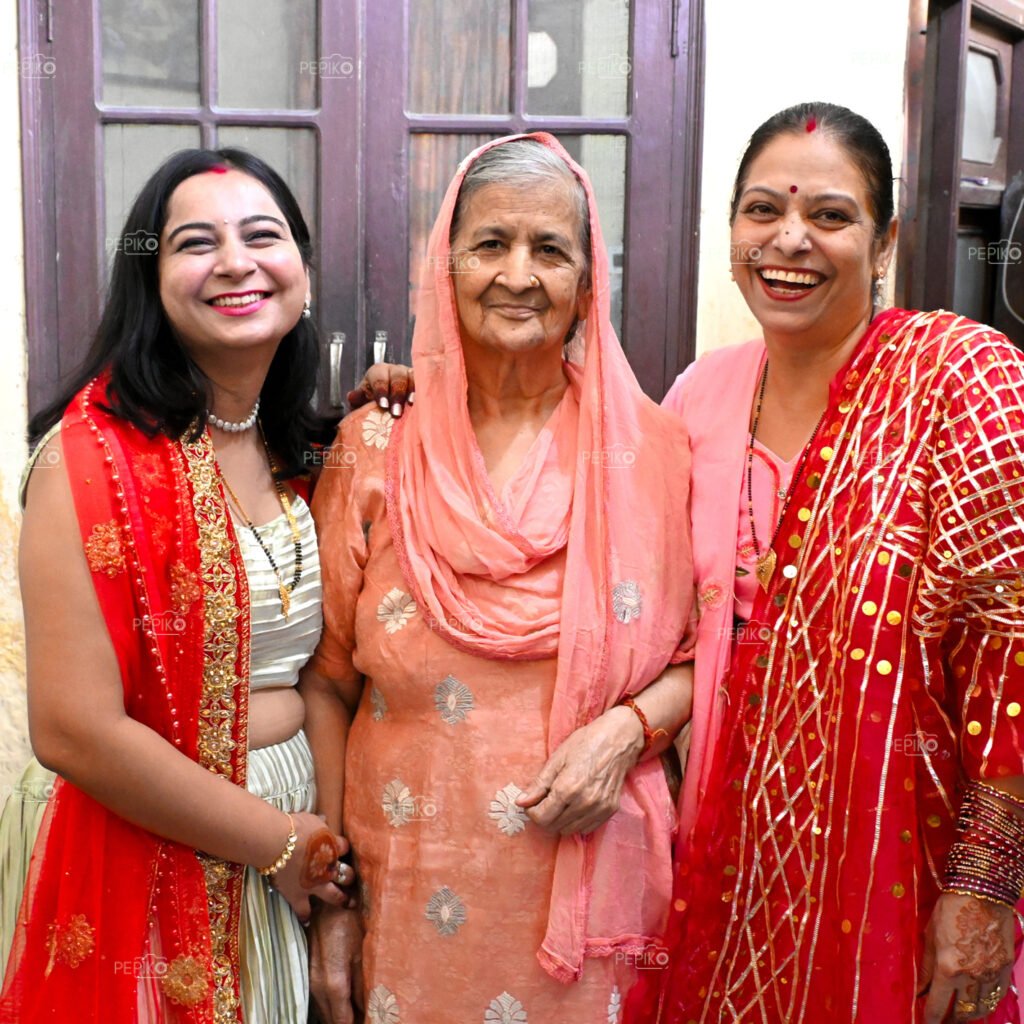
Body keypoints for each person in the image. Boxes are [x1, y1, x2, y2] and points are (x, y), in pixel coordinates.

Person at [359, 103, 1024, 1023]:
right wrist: (422, 384)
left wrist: (985, 884)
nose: (790, 239)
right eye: (762, 211)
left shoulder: (958, 380)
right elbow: (676, 627)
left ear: (884, 242)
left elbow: (1009, 644)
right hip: (722, 827)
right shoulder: (693, 403)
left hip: (894, 834)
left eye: (830, 216)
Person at [300, 133, 695, 1023]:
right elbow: (327, 680)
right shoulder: (376, 446)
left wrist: (626, 731)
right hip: (406, 901)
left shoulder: (652, 454)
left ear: (589, 286)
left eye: (550, 249)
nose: (518, 274)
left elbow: (705, 658)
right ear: (447, 268)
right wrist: (335, 901)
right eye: (490, 244)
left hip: (593, 913)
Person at [0, 148, 350, 1023]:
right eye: (198, 243)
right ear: (149, 280)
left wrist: (319, 853)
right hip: (150, 842)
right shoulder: (88, 460)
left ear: (301, 266)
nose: (236, 261)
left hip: (296, 847)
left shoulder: (303, 452)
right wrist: (278, 843)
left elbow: (330, 670)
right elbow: (73, 731)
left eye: (263, 235)